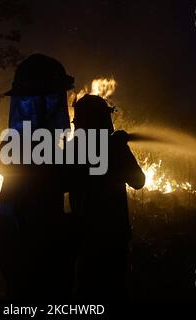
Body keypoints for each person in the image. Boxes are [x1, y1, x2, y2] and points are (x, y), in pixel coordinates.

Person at [0, 53, 76, 298]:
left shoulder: (14, 142)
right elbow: (64, 180)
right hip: (34, 250)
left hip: (17, 247)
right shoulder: (36, 146)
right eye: (53, 100)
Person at [69, 94, 145, 299]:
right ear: (105, 119)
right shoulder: (116, 148)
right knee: (115, 289)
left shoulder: (72, 149)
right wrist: (120, 148)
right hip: (114, 236)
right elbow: (138, 182)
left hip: (84, 236)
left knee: (86, 291)